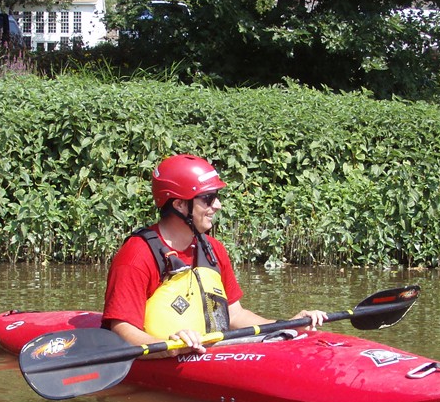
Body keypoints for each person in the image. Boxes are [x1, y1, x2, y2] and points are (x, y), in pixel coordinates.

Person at [102, 153, 327, 358]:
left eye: (216, 197)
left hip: (210, 352)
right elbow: (122, 330)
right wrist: (168, 346)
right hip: (164, 358)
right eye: (208, 199)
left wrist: (287, 325)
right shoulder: (137, 255)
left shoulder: (213, 249)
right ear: (179, 204)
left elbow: (235, 315)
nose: (217, 206)